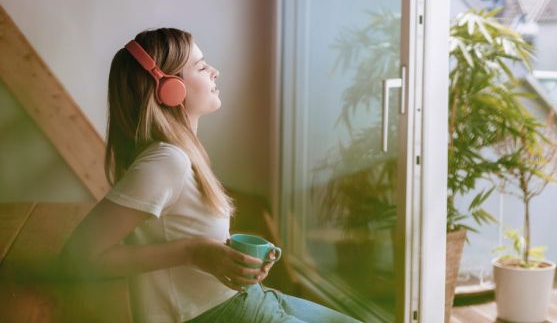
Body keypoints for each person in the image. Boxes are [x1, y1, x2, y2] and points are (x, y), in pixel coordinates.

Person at [58, 28, 363, 323]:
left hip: (246, 299)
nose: (215, 71)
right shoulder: (167, 162)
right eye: (202, 67)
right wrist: (193, 252)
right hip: (220, 314)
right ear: (169, 88)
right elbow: (78, 257)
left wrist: (229, 260)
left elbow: (180, 232)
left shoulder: (180, 152)